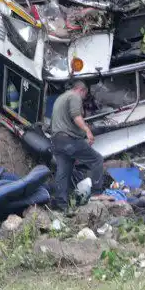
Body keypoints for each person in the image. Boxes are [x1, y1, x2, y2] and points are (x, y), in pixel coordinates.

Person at [49, 81, 104, 211]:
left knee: (63, 171)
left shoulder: (60, 98)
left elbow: (63, 121)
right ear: (82, 90)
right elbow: (76, 116)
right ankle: (97, 194)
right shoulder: (75, 96)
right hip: (69, 140)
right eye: (85, 95)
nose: (83, 98)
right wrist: (88, 131)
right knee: (97, 160)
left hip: (57, 141)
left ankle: (61, 204)